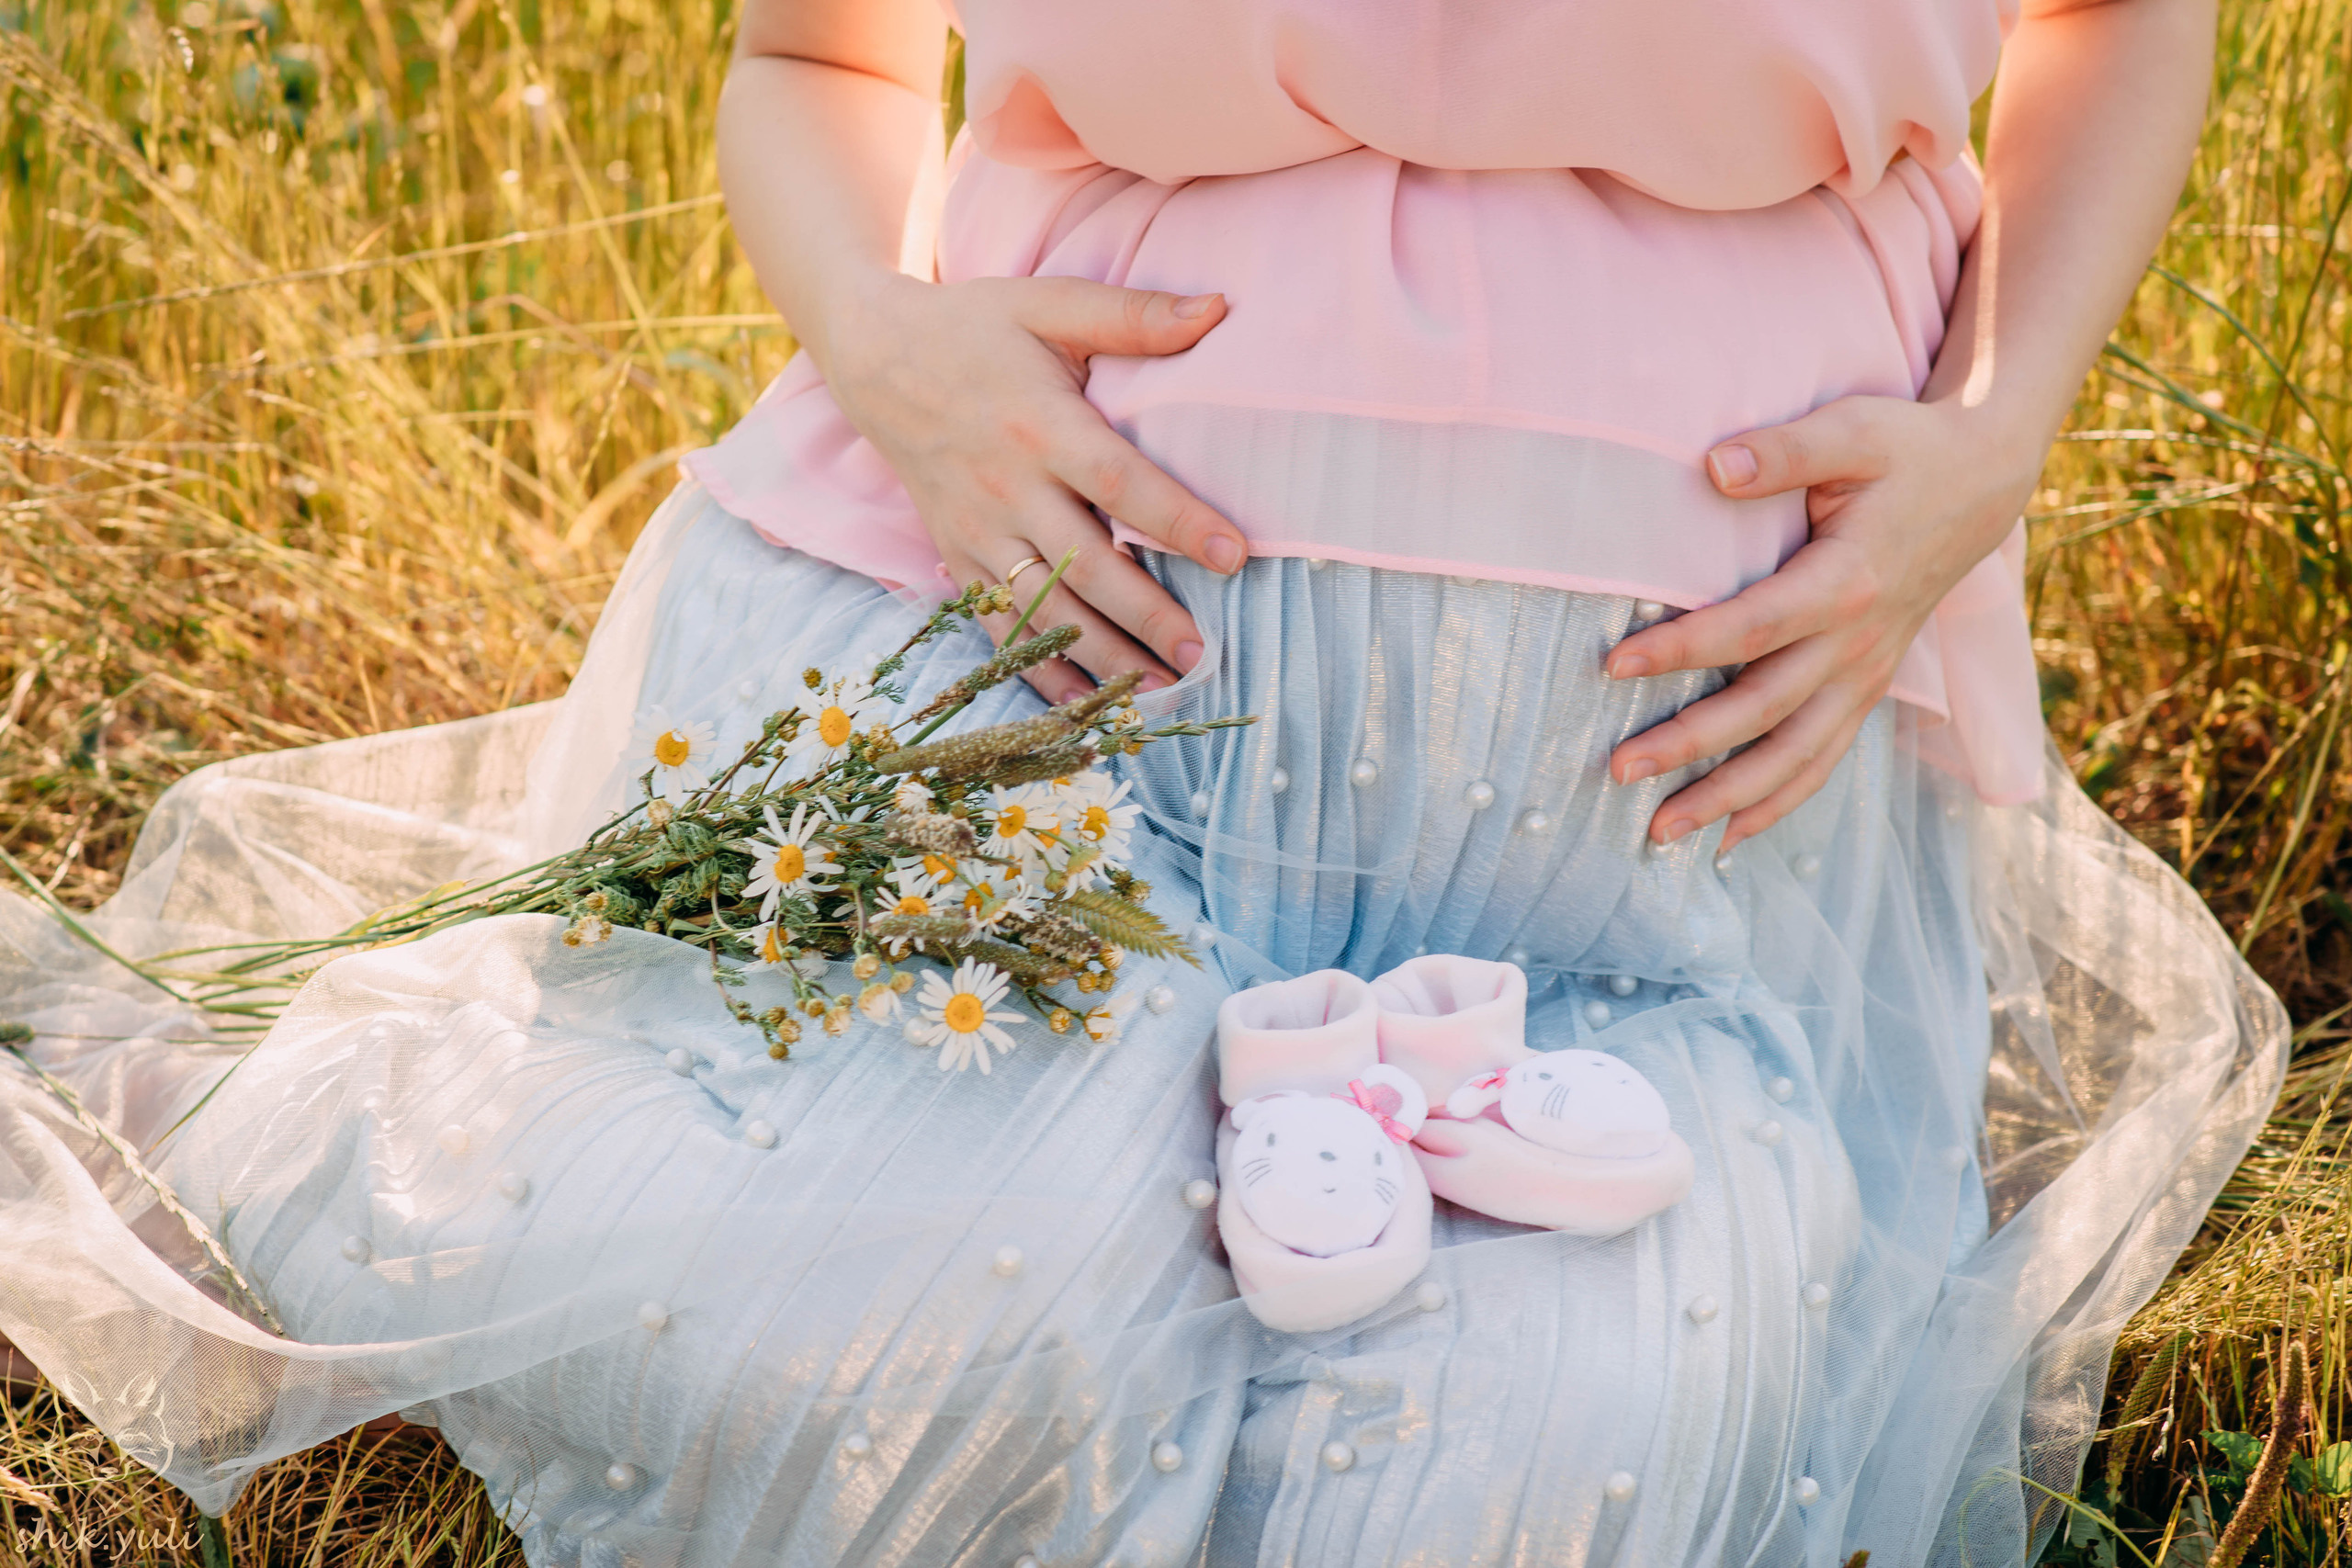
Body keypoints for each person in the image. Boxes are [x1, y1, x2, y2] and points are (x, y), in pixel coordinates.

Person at [0, 0, 2289, 1562]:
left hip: (1628, 889)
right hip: (1033, 738)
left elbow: (2118, 18)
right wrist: (884, 342)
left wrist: (1993, 435)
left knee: (1544, 1450)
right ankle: (275, 1123)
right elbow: (817, 50)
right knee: (957, 1323)